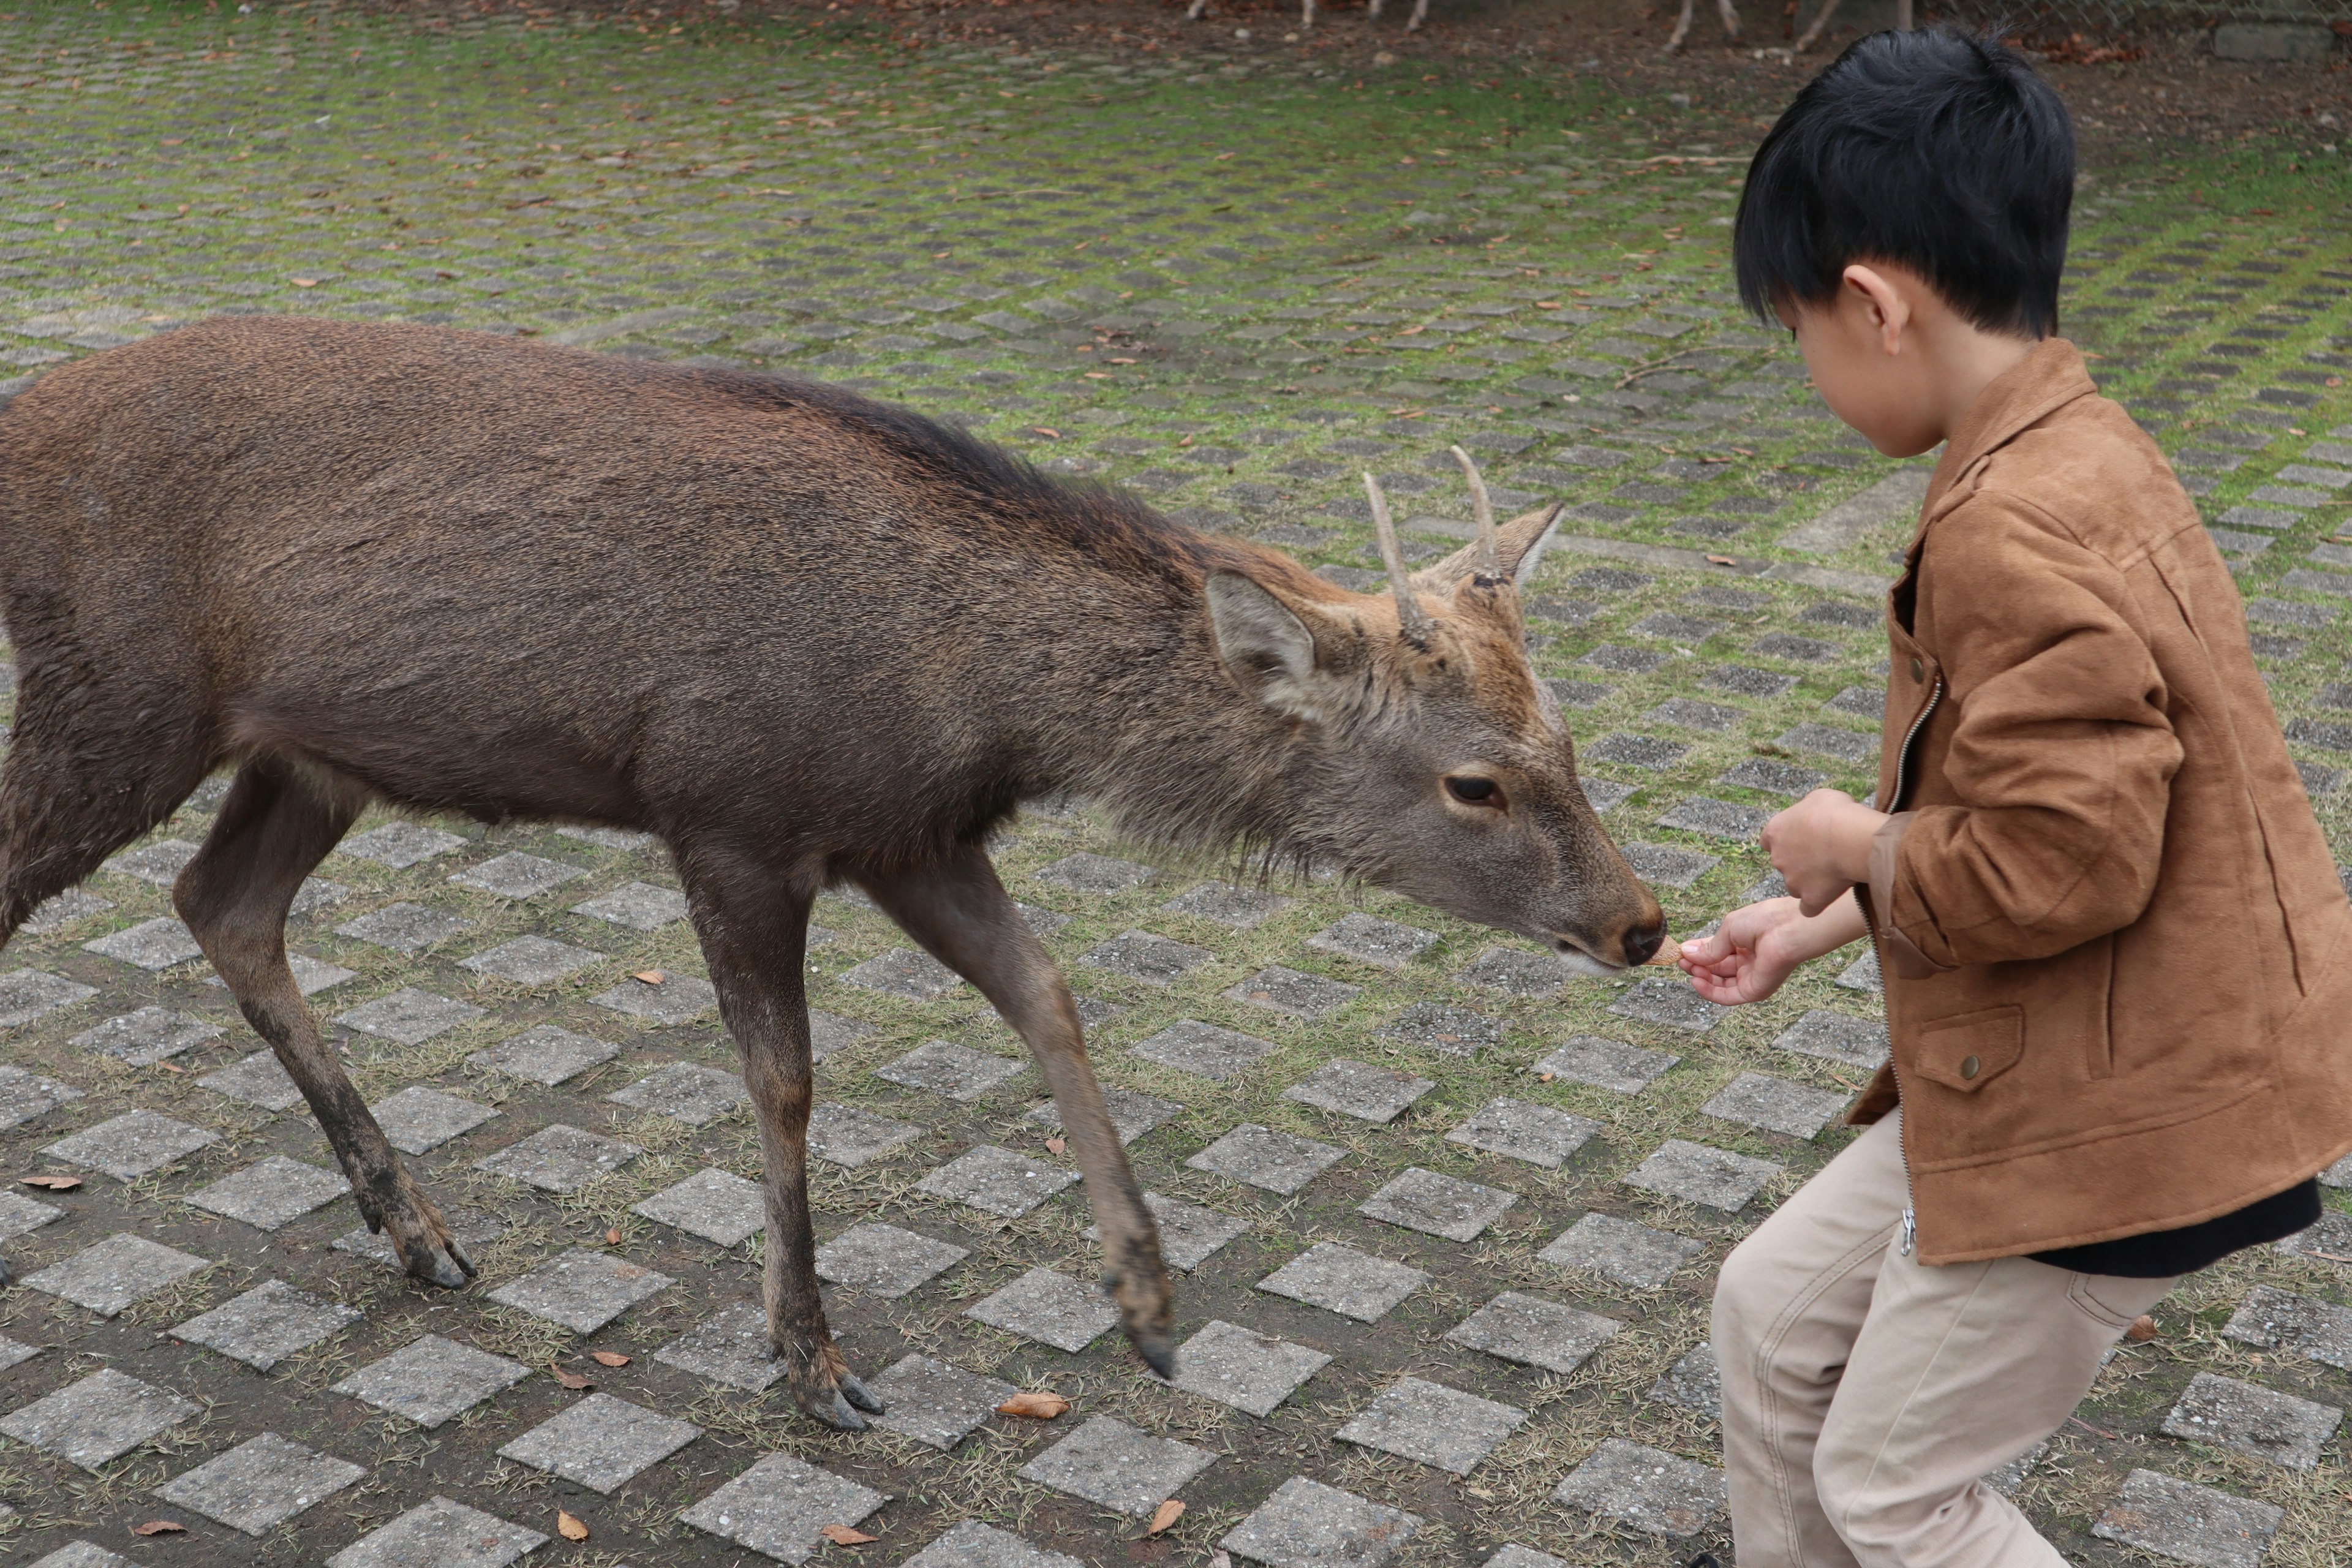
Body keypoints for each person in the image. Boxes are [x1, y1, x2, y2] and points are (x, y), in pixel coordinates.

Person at [1674, 26, 2352, 1568]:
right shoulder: (2072, 438)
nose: (1810, 371)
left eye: (1799, 333)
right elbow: (2056, 802)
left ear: (1873, 302)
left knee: (1898, 1492)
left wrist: (1852, 837)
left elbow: (2068, 858)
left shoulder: (2012, 524)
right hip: (2062, 1054)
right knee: (1773, 1321)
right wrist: (1823, 915)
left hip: (2129, 1112)